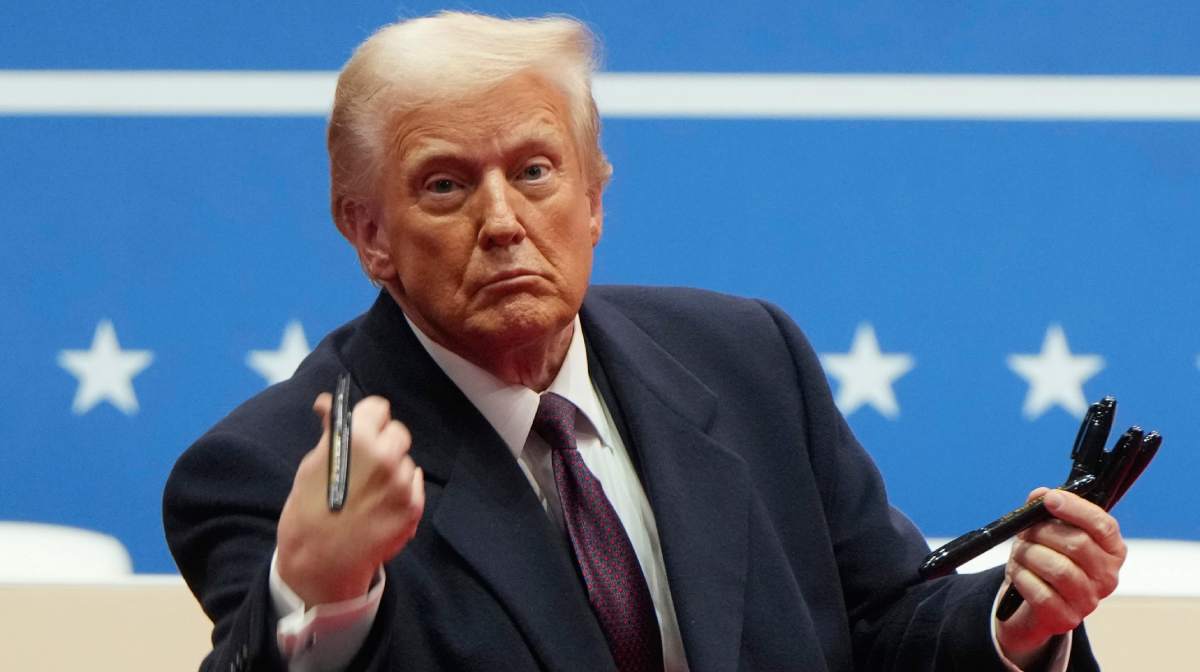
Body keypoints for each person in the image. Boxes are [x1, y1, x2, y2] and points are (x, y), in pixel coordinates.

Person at [163, 11, 1125, 672]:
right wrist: (315, 588)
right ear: (369, 233)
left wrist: (1016, 622)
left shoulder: (748, 360)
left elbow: (880, 622)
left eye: (535, 172)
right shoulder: (268, 467)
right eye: (445, 185)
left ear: (593, 198)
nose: (502, 222)